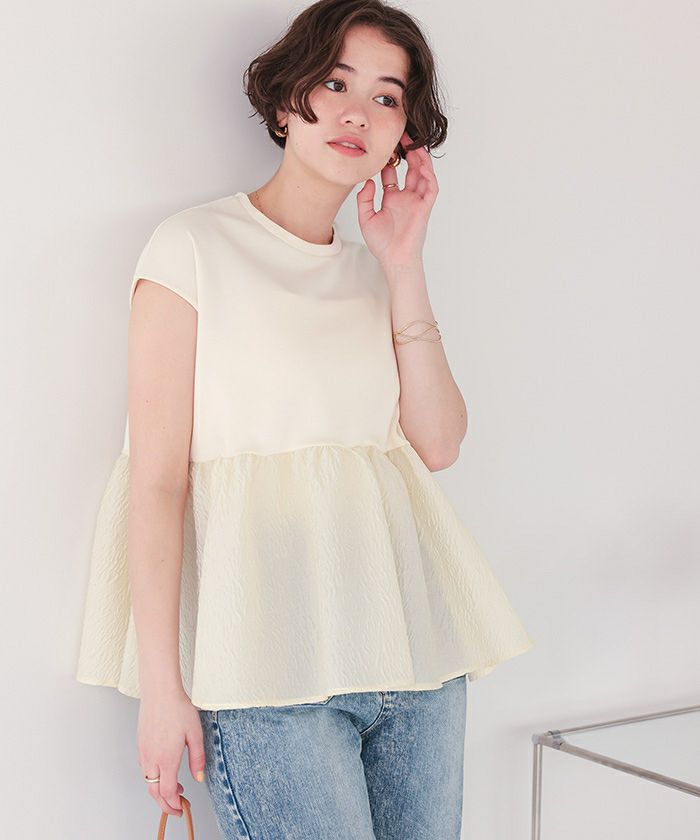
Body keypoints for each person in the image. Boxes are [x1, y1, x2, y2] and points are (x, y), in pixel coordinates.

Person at [75, 1, 534, 837]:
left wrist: (404, 262)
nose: (359, 113)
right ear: (288, 100)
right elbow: (157, 481)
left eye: (387, 97)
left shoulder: (375, 273)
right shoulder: (192, 248)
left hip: (414, 659)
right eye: (336, 83)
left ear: (402, 134)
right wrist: (163, 691)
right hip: (264, 670)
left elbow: (438, 443)